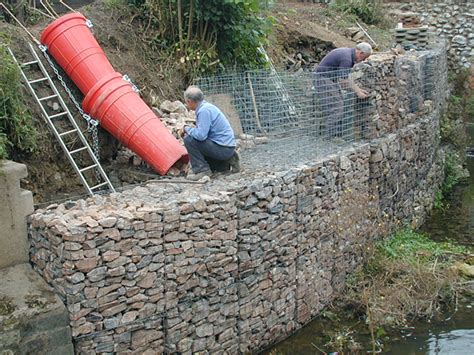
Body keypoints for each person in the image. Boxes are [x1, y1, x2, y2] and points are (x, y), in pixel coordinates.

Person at [179, 86, 240, 180]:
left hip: (223, 149)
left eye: (186, 102)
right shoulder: (207, 107)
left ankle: (202, 170)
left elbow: (201, 136)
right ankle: (226, 162)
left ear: (189, 101)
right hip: (226, 146)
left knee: (189, 140)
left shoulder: (204, 111)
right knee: (217, 169)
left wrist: (186, 128)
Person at [314, 42, 372, 140]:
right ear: (361, 53)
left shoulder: (348, 54)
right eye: (364, 57)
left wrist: (359, 89)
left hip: (328, 78)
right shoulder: (347, 58)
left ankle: (333, 134)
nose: (363, 60)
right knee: (336, 107)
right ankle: (330, 137)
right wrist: (358, 92)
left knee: (338, 103)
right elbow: (343, 81)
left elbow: (346, 77)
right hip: (323, 79)